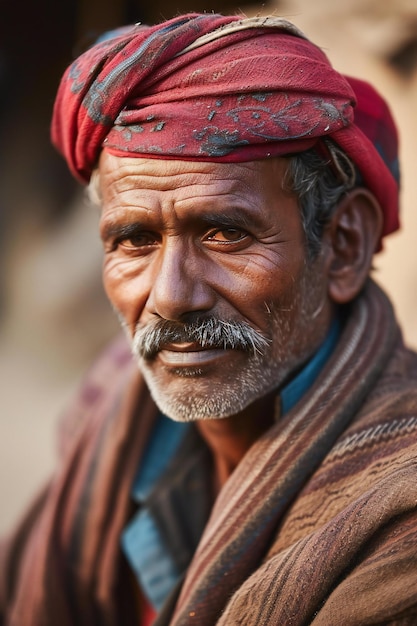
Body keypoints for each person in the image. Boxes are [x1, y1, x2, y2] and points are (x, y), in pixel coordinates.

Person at [1, 12, 417, 626]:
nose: (170, 297)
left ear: (344, 244)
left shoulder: (398, 521)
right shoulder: (110, 406)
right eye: (135, 239)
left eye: (225, 233)